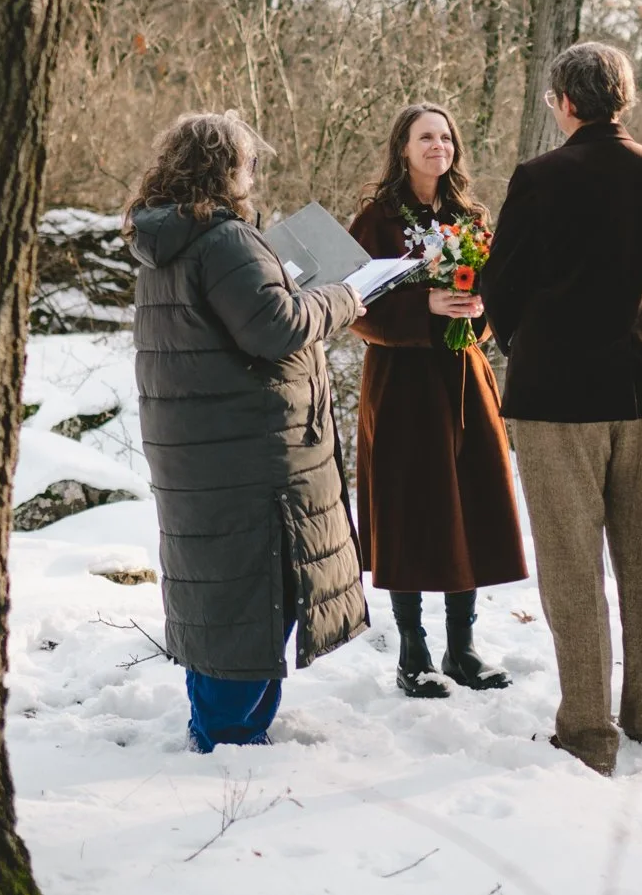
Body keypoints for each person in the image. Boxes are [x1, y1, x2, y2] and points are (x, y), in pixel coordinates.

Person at [126, 111, 368, 752]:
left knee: (224, 585)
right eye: (247, 162)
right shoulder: (224, 240)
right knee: (254, 591)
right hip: (247, 449)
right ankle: (230, 737)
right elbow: (274, 328)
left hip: (203, 446)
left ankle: (221, 724)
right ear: (224, 167)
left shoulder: (169, 240)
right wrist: (343, 296)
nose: (253, 173)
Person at [481, 43, 642, 776]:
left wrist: (522, 341)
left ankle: (586, 732)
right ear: (621, 99)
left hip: (557, 397)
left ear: (563, 102)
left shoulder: (539, 179)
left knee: (572, 567)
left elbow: (499, 284)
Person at [349, 102, 527, 698]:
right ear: (403, 146)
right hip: (400, 384)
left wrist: (477, 314)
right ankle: (413, 651)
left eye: (446, 137)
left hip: (463, 381)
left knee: (467, 503)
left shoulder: (470, 217)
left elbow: (495, 297)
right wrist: (423, 309)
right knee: (409, 506)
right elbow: (354, 306)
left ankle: (462, 647)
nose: (438, 147)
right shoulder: (376, 220)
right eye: (426, 137)